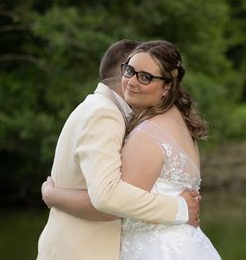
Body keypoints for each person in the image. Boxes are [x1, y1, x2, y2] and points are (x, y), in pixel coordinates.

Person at [41, 39, 221, 260]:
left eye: (145, 77)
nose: (132, 82)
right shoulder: (172, 121)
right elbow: (111, 199)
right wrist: (180, 208)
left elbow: (109, 202)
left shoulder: (147, 129)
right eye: (130, 71)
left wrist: (51, 195)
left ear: (167, 87)